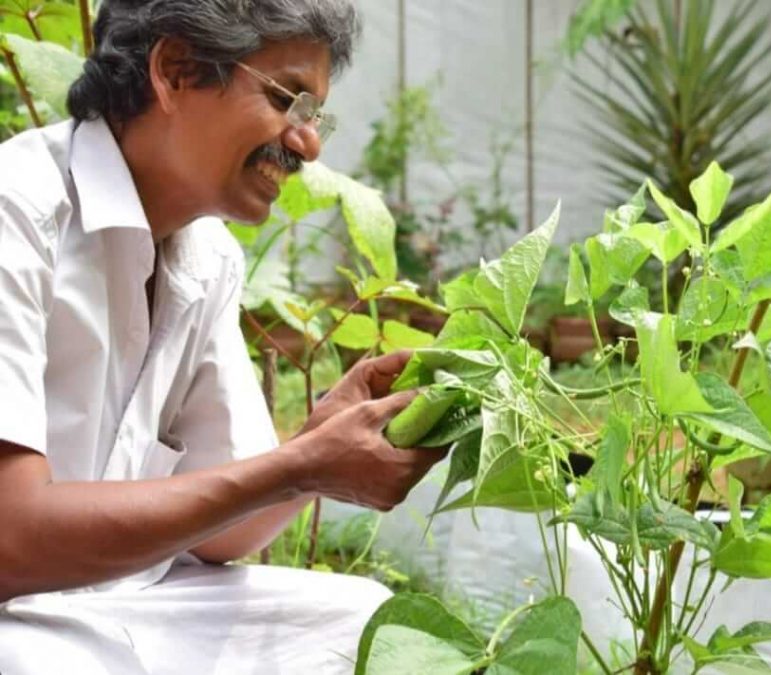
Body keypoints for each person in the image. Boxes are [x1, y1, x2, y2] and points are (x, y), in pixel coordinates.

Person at [0, 0, 445, 672]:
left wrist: (316, 446)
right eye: (287, 99)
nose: (307, 142)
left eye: (314, 114)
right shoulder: (19, 209)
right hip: (16, 612)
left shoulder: (206, 258)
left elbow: (226, 531)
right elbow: (11, 535)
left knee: (368, 624)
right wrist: (300, 466)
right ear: (175, 70)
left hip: (118, 602)